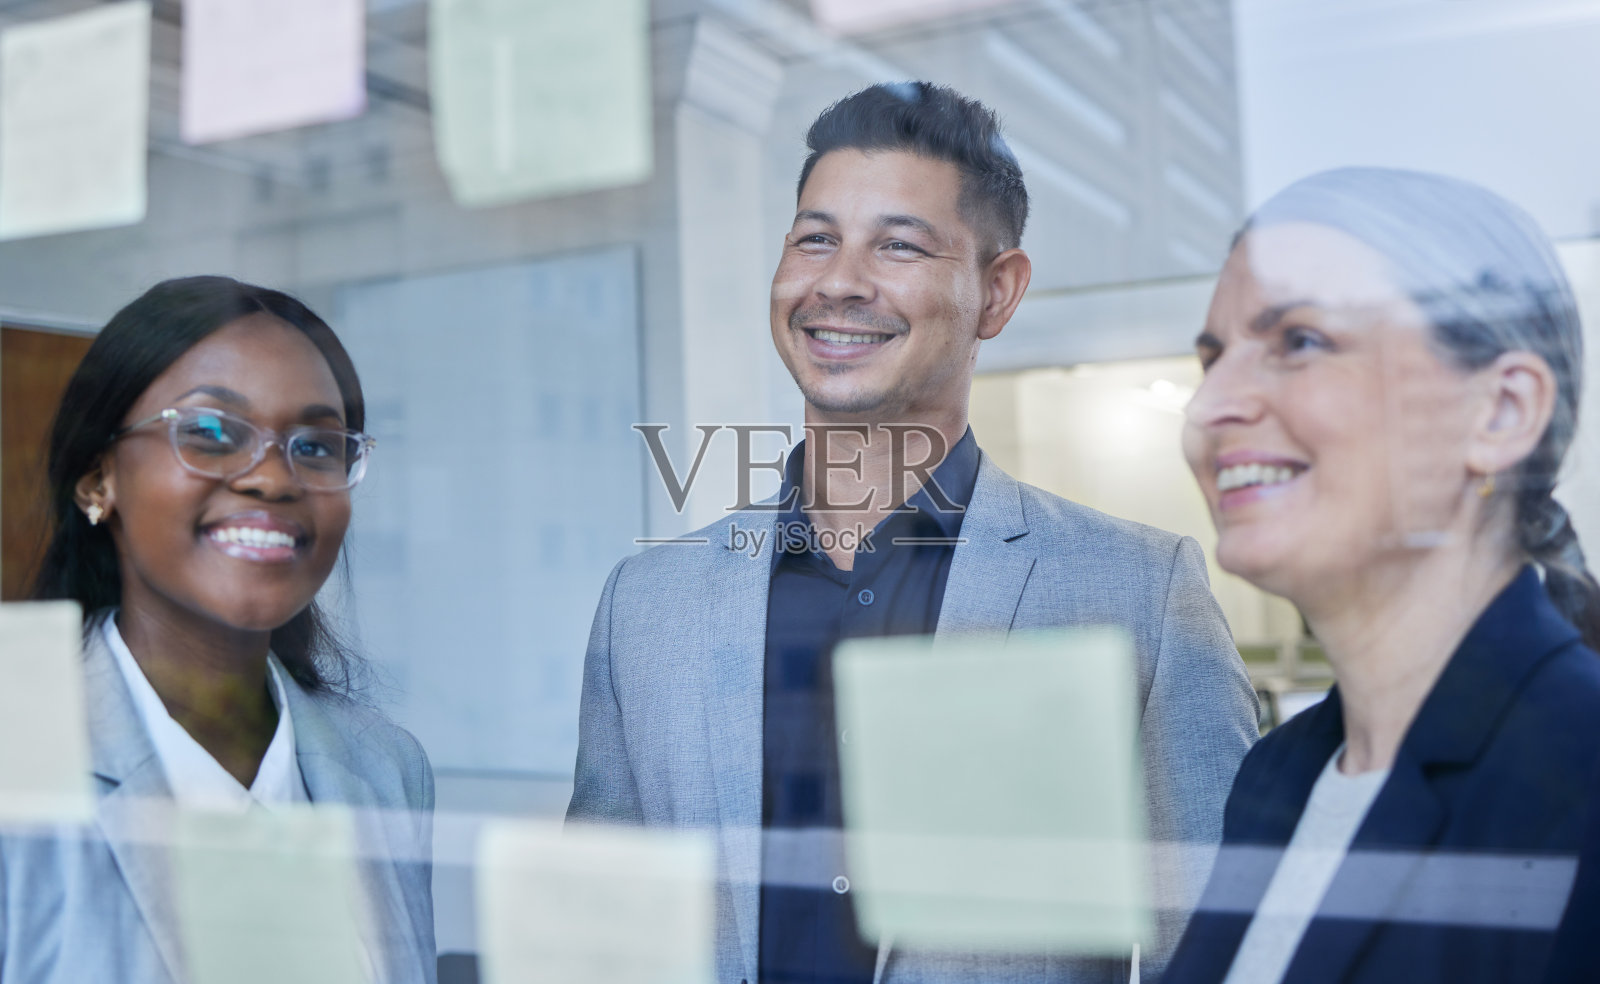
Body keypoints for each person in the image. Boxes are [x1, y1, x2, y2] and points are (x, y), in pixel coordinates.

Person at [568, 82, 1258, 984]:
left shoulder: (1138, 594)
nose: (839, 282)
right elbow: (602, 946)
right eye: (815, 239)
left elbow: (1213, 958)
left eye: (898, 245)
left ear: (997, 293)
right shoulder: (647, 603)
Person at [1165, 167, 1600, 984]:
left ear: (1501, 411)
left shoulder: (1580, 771)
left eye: (1300, 341)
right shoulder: (1276, 773)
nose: (1210, 405)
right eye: (1213, 358)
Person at [6, 277, 436, 984]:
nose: (274, 479)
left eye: (316, 446)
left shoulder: (387, 768)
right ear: (97, 479)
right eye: (210, 433)